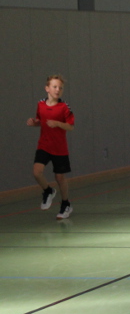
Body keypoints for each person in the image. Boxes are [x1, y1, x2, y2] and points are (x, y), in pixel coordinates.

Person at [27, 74, 75, 220]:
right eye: (55, 87)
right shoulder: (40, 104)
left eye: (60, 88)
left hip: (59, 148)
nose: (58, 90)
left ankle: (66, 204)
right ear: (47, 88)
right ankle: (48, 191)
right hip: (44, 145)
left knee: (60, 177)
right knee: (37, 172)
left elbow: (70, 126)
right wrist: (34, 123)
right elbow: (41, 121)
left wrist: (58, 123)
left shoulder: (64, 107)